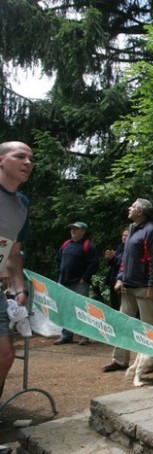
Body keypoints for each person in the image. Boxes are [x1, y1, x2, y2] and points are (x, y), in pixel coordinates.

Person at [102, 198, 153, 372]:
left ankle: (152, 361)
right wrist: (120, 277)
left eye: (133, 206)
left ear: (140, 212)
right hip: (127, 285)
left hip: (143, 286)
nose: (130, 208)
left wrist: (152, 286)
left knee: (148, 326)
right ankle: (120, 360)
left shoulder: (152, 230)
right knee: (122, 324)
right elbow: (126, 257)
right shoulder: (131, 228)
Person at [0, 141, 34, 398]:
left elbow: (13, 253)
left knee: (5, 355)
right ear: (1, 160)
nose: (28, 162)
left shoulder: (22, 203)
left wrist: (19, 288)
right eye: (20, 156)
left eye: (30, 159)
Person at [54, 221, 99, 346]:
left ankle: (84, 336)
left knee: (82, 310)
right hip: (64, 282)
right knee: (65, 309)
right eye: (72, 228)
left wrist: (84, 278)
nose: (73, 230)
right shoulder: (66, 244)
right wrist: (59, 274)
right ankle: (66, 335)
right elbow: (58, 260)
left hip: (80, 283)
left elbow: (94, 264)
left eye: (76, 229)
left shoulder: (88, 246)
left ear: (83, 231)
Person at [103, 227, 128, 311]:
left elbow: (123, 262)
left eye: (126, 235)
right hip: (113, 279)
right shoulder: (119, 247)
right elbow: (113, 263)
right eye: (123, 235)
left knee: (123, 306)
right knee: (114, 305)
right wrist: (109, 258)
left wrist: (113, 258)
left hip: (123, 281)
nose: (124, 237)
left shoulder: (132, 249)